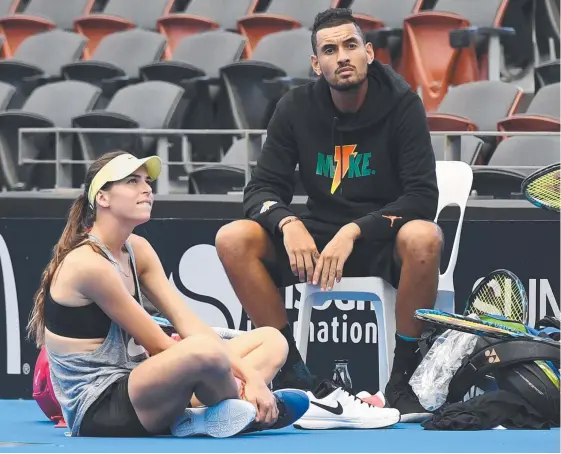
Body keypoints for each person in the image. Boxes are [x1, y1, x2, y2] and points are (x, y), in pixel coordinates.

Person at [215, 8, 443, 422]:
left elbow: (423, 196)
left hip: (381, 239)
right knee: (234, 238)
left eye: (351, 46)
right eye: (330, 49)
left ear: (369, 53)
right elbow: (261, 189)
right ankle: (294, 373)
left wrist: (355, 230)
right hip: (317, 239)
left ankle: (403, 382)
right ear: (315, 64)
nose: (342, 56)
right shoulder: (295, 107)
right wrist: (288, 222)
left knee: (425, 237)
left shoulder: (402, 104)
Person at [27, 151, 309, 438]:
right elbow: (160, 344)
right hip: (100, 407)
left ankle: (205, 417)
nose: (147, 188)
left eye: (147, 181)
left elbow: (187, 322)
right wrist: (250, 376)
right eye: (132, 181)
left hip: (145, 388)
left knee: (273, 341)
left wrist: (242, 373)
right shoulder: (88, 264)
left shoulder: (138, 249)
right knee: (204, 351)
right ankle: (246, 405)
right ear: (103, 197)